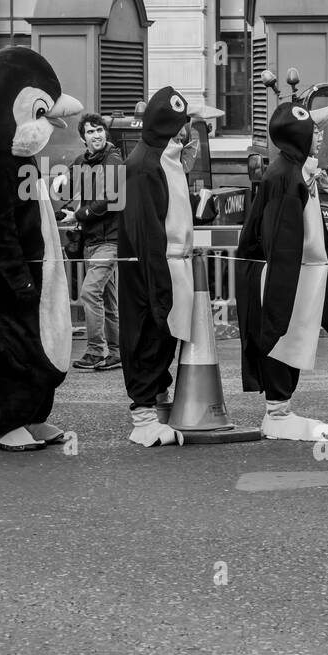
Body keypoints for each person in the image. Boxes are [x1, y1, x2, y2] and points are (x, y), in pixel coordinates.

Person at [0, 48, 82, 451]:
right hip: (1, 285)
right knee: (4, 350)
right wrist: (19, 278)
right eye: (40, 111)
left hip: (31, 277)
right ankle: (1, 421)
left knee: (35, 346)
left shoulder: (18, 160)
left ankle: (30, 416)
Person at [236, 102, 328, 441]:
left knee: (294, 341)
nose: (319, 137)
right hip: (285, 276)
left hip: (300, 274)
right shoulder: (284, 175)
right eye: (314, 132)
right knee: (281, 339)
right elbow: (280, 241)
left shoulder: (294, 170)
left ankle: (282, 408)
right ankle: (277, 412)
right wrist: (278, 302)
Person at [118, 87, 201, 447]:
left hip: (171, 263)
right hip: (153, 268)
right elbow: (146, 231)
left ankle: (157, 402)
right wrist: (158, 284)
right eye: (179, 125)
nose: (184, 131)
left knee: (164, 337)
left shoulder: (164, 157)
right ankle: (143, 416)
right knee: (148, 335)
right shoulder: (143, 165)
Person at [58, 113, 123, 371]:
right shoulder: (82, 161)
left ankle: (96, 351)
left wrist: (79, 214)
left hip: (111, 240)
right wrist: (60, 186)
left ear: (105, 133)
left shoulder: (113, 159)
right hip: (91, 240)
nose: (96, 135)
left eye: (99, 130)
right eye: (90, 131)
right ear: (83, 138)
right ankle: (117, 352)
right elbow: (67, 186)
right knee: (107, 298)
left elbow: (111, 198)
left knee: (89, 292)